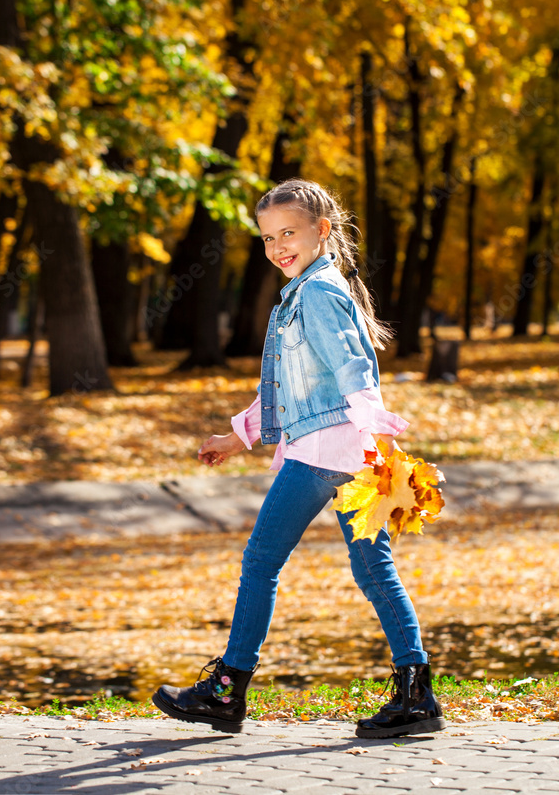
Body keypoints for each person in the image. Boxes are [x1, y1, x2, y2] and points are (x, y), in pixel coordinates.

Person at [151, 179, 445, 739]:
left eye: (289, 233)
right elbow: (294, 386)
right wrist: (240, 437)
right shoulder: (314, 288)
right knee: (373, 569)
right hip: (349, 451)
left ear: (322, 231)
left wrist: (378, 434)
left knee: (261, 562)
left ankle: (227, 690)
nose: (278, 246)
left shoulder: (316, 293)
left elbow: (353, 368)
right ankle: (417, 694)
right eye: (267, 238)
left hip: (325, 453)